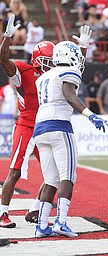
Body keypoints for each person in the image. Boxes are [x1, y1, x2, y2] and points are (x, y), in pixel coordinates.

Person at [33, 40, 108, 238]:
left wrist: (82, 48)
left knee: (50, 180)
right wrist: (90, 114)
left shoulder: (44, 76)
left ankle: (41, 225)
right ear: (69, 56)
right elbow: (69, 95)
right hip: (59, 126)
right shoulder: (68, 72)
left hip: (40, 128)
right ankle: (60, 222)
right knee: (68, 177)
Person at [0, 15, 55, 229]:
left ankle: (35, 210)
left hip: (45, 127)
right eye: (48, 61)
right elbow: (3, 60)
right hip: (26, 125)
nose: (52, 65)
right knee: (14, 170)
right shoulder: (25, 72)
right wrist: (7, 36)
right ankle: (2, 213)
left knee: (55, 175)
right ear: (38, 59)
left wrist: (84, 49)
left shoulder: (55, 77)